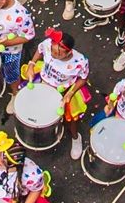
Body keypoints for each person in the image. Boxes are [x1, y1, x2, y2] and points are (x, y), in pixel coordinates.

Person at [25, 28, 93, 159]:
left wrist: (71, 93)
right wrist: (32, 64)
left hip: (64, 91)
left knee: (70, 119)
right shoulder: (47, 44)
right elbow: (40, 50)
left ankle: (75, 137)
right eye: (52, 50)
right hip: (44, 82)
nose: (53, 54)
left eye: (58, 54)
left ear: (68, 54)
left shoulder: (80, 62)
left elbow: (83, 78)